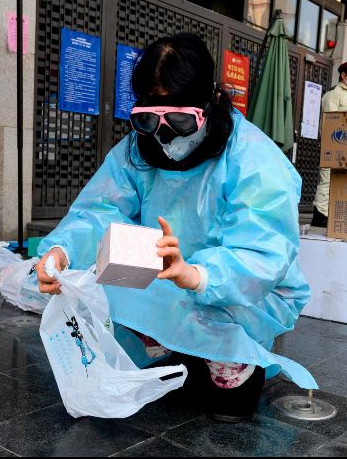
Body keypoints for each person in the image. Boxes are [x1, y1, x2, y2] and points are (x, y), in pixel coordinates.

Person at [34, 33, 316, 423]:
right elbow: (100, 210)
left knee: (229, 404)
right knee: (94, 286)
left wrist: (198, 274)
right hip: (164, 278)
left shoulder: (254, 159)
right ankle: (165, 344)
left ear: (209, 102)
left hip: (240, 291)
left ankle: (229, 362)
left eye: (181, 120)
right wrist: (62, 250)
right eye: (149, 119)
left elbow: (263, 254)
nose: (164, 134)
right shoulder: (138, 150)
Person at [311, 59, 347, 228]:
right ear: (343, 75)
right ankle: (319, 215)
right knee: (327, 179)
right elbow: (330, 122)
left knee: (337, 179)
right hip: (333, 144)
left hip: (345, 145)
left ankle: (328, 213)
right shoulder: (333, 94)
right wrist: (332, 144)